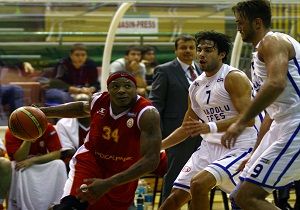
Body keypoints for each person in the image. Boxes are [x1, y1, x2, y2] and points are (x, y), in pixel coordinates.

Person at [158, 31, 259, 210]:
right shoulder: (195, 86)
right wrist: (159, 146)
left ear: (222, 54)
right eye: (200, 49)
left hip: (240, 145)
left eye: (208, 50)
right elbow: (187, 127)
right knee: (174, 199)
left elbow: (248, 118)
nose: (201, 54)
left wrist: (208, 126)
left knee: (199, 185)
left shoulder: (233, 77)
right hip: (208, 148)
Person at [40, 71, 161, 210]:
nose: (121, 90)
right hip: (91, 162)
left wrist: (108, 183)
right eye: (115, 86)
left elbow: (151, 160)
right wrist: (43, 112)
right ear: (108, 90)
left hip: (123, 170)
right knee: (69, 207)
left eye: (127, 86)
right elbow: (81, 108)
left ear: (136, 89)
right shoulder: (98, 100)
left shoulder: (147, 113)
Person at [221, 0, 300, 210]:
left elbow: (276, 83)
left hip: (296, 124)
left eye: (241, 23)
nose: (238, 28)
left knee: (247, 197)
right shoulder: (258, 56)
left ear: (257, 23)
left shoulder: (272, 41)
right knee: (238, 197)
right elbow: (270, 116)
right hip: (282, 124)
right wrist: (255, 155)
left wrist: (241, 121)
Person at [149, 34, 202, 201]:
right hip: (176, 133)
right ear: (176, 50)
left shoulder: (203, 70)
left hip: (203, 133)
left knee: (198, 177)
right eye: (183, 47)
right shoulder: (164, 70)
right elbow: (156, 104)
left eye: (191, 47)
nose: (187, 50)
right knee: (175, 176)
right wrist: (158, 133)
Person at [4, 123, 67, 210]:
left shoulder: (47, 127)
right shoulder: (12, 131)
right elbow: (19, 158)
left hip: (40, 163)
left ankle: (58, 204)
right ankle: (21, 206)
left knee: (59, 164)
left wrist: (33, 160)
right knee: (15, 166)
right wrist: (28, 139)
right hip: (22, 166)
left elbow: (57, 154)